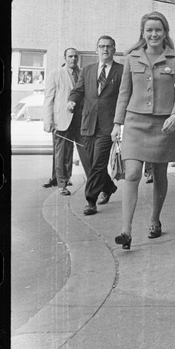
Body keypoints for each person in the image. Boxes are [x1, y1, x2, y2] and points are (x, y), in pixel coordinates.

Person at [112, 12, 175, 250]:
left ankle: (155, 218)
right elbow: (124, 93)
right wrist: (117, 123)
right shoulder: (131, 58)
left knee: (159, 175)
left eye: (158, 30)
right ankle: (126, 230)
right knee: (132, 174)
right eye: (149, 30)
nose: (153, 34)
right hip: (135, 122)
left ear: (165, 32)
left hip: (163, 124)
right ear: (143, 33)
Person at [67, 36, 123, 216]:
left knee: (99, 162)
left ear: (114, 49)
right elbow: (78, 91)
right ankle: (109, 187)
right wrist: (71, 101)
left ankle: (91, 200)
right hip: (88, 123)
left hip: (108, 125)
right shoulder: (87, 70)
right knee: (91, 163)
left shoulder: (121, 71)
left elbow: (124, 97)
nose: (105, 49)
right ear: (96, 50)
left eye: (108, 46)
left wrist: (120, 123)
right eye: (101, 46)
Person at [42, 48, 90, 193]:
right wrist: (48, 121)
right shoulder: (55, 74)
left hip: (80, 119)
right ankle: (62, 184)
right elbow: (49, 99)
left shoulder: (83, 74)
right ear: (65, 58)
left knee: (85, 151)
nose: (73, 59)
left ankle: (92, 182)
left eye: (76, 56)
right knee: (62, 153)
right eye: (70, 56)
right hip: (61, 120)